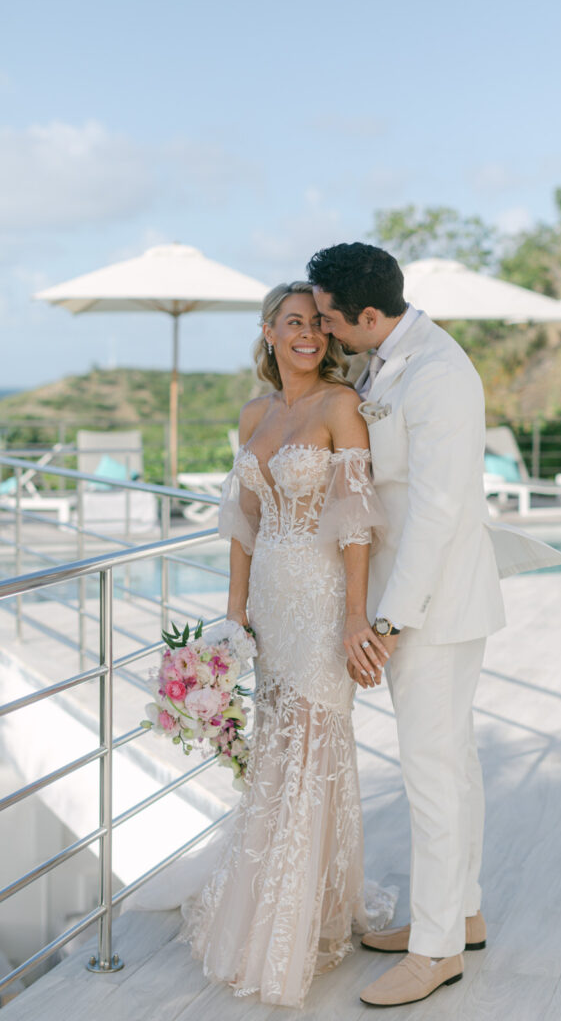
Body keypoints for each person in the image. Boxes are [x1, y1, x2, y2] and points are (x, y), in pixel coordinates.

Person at [307, 242, 561, 1007]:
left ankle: (434, 953)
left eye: (327, 318)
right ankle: (459, 912)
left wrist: (389, 619)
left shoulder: (439, 373)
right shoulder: (391, 354)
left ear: (366, 314)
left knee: (430, 771)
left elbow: (437, 511)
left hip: (430, 605)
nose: (321, 330)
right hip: (412, 596)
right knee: (450, 761)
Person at [184, 281, 396, 1007]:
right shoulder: (254, 411)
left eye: (316, 323)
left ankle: (301, 925)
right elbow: (242, 524)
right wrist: (233, 615)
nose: (307, 334)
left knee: (312, 748)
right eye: (293, 322)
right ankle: (273, 909)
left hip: (322, 597)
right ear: (268, 330)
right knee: (278, 747)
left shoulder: (341, 405)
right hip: (270, 604)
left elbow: (358, 524)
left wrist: (354, 619)